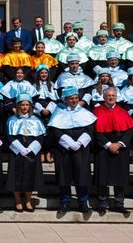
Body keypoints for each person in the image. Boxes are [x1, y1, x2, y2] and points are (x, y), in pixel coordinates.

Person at [47, 86, 97, 214]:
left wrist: (80, 143)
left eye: (76, 98)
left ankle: (83, 202)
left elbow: (90, 129)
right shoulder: (58, 112)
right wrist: (68, 142)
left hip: (81, 149)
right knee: (64, 176)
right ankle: (65, 202)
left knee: (82, 176)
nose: (74, 101)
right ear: (65, 99)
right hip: (64, 150)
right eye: (71, 98)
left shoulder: (85, 112)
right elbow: (55, 130)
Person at [92, 87, 133, 216]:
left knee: (120, 177)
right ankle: (102, 204)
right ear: (104, 97)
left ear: (116, 97)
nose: (111, 98)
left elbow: (129, 131)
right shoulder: (97, 111)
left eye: (113, 96)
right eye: (108, 96)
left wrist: (119, 144)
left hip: (120, 149)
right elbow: (95, 131)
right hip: (103, 149)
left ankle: (119, 203)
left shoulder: (122, 111)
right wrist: (108, 145)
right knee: (102, 177)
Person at [5, 93, 46, 212]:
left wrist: (30, 149)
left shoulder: (36, 120)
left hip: (32, 152)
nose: (25, 107)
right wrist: (20, 148)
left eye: (27, 105)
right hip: (16, 152)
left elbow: (40, 138)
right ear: (18, 106)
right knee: (16, 176)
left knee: (31, 176)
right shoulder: (12, 120)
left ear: (30, 106)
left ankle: (28, 201)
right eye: (22, 105)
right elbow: (9, 137)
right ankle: (18, 200)